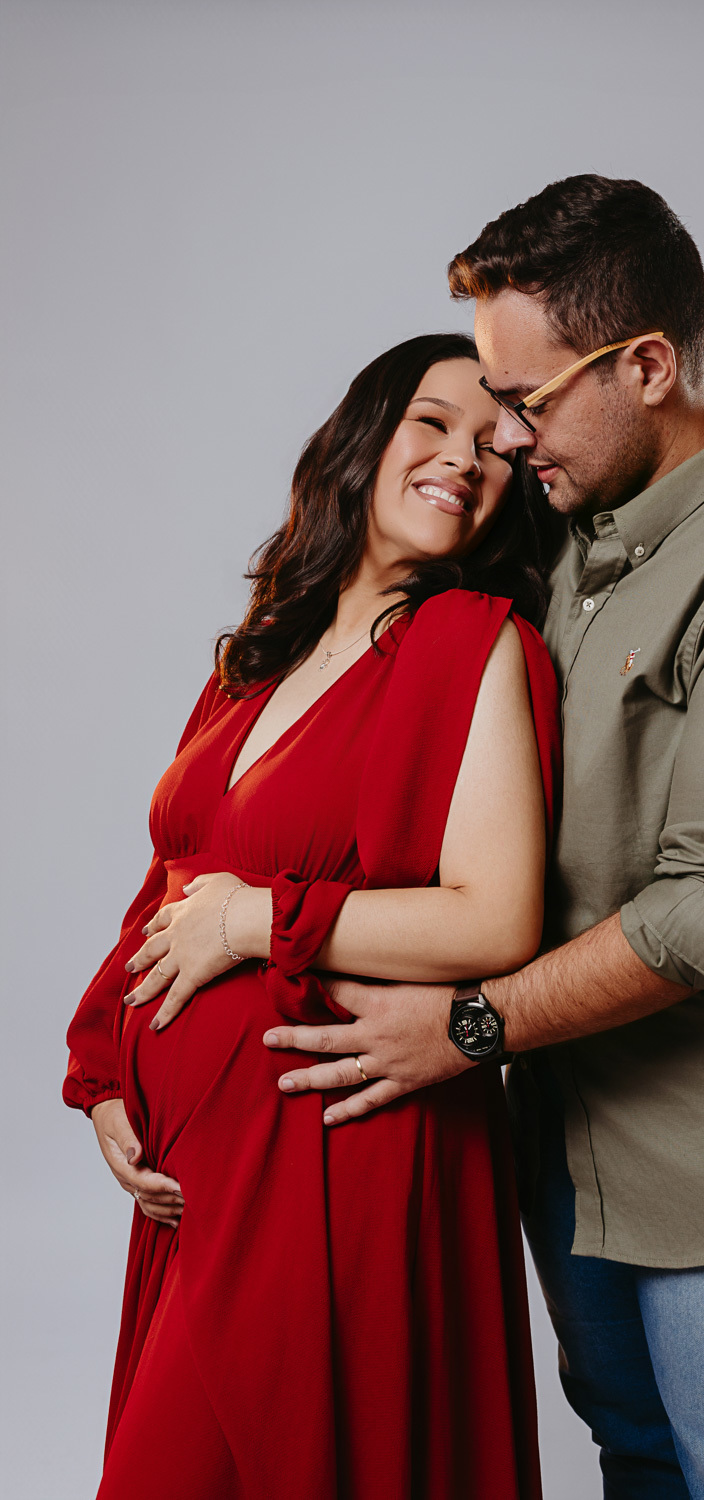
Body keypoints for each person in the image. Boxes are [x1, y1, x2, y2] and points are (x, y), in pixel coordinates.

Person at [263, 177, 704, 1500]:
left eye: (528, 400)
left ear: (647, 366)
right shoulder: (570, 524)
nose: (507, 439)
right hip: (577, 1111)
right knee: (639, 1459)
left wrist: (466, 1027)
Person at [63, 332, 562, 1500]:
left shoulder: (475, 644)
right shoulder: (255, 659)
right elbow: (172, 878)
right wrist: (104, 1075)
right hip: (202, 1170)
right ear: (362, 439)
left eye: (495, 447)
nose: (464, 458)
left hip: (334, 1151)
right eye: (432, 423)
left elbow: (495, 922)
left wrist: (260, 923)